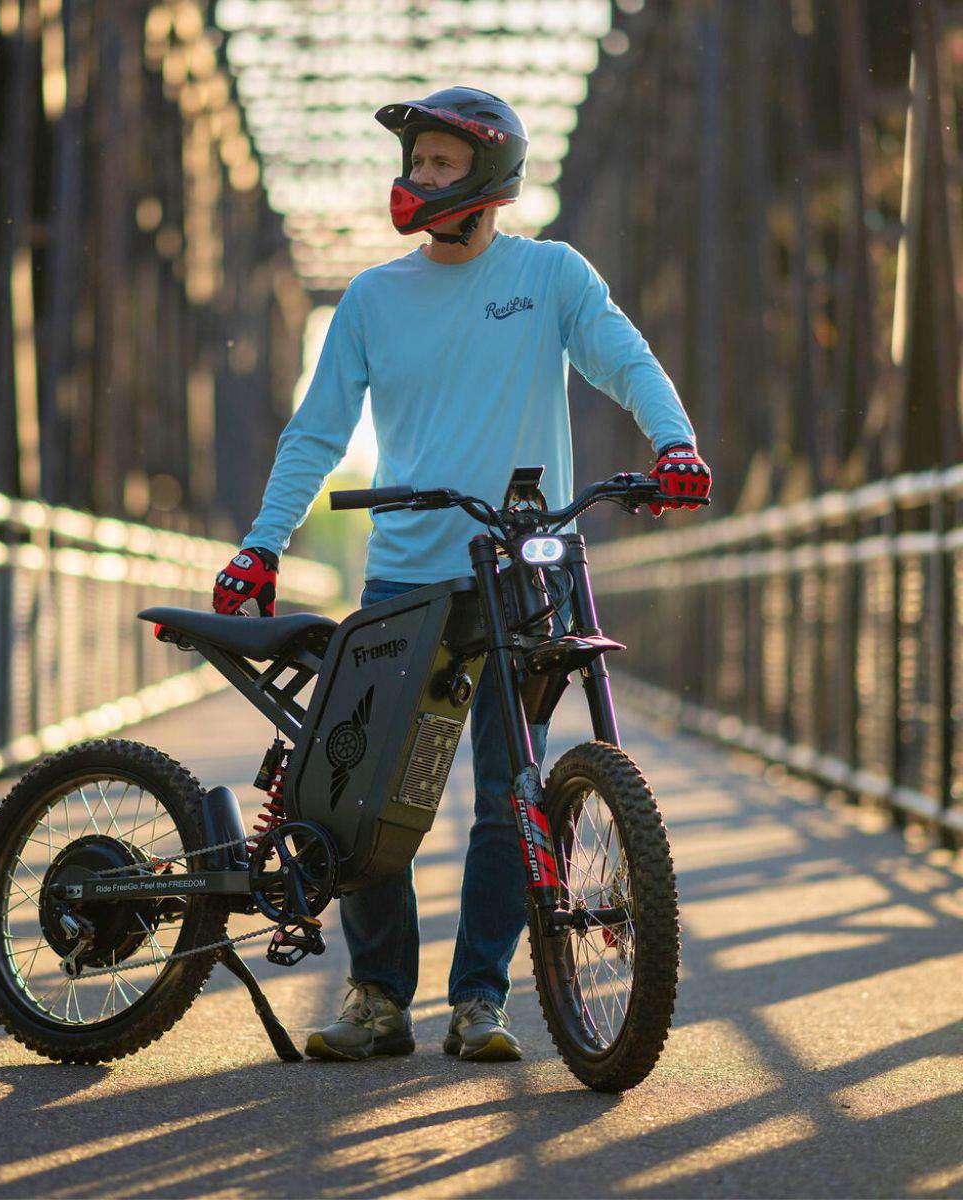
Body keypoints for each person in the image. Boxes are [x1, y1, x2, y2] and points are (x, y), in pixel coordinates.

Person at [213, 86, 711, 1062]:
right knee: (365, 798)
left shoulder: (550, 275)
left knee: (508, 794)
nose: (419, 177)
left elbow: (627, 360)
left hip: (524, 573)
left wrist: (676, 443)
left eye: (440, 162)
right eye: (416, 162)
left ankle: (479, 1000)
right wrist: (262, 543)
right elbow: (316, 432)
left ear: (486, 174)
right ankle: (377, 998)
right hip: (406, 578)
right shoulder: (372, 298)